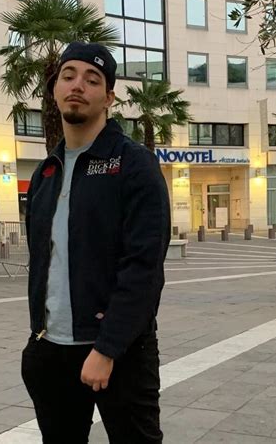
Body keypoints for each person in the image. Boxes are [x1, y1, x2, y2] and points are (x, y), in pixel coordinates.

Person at [22, 41, 171, 444]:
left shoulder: (133, 163)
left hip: (120, 351)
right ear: (54, 90)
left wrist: (107, 349)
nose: (78, 85)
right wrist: (36, 343)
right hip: (51, 350)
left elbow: (144, 268)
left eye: (92, 80)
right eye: (68, 76)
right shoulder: (46, 172)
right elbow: (44, 260)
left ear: (108, 97)